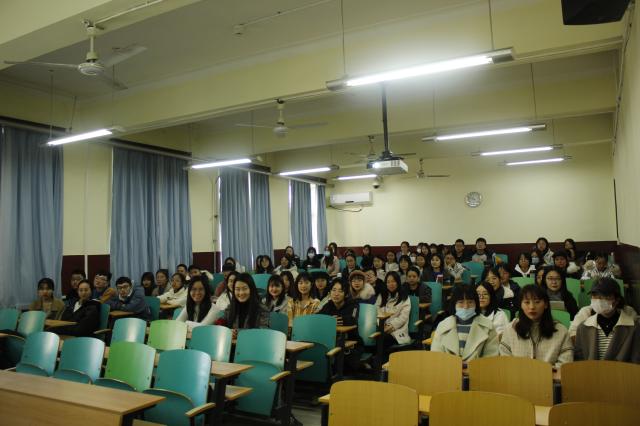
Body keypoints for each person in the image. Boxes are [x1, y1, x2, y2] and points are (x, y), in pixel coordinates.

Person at [500, 284, 573, 367]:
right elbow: (505, 361)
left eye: (537, 302)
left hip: (550, 375)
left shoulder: (561, 331)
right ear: (521, 305)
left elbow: (565, 364)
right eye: (527, 302)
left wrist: (542, 372)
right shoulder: (510, 330)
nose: (532, 307)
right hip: (517, 375)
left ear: (546, 304)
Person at [574, 278, 640, 362]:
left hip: (621, 370)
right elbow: (579, 361)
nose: (599, 300)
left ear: (617, 300)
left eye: (605, 296)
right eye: (595, 296)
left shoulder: (633, 328)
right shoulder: (583, 327)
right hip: (591, 370)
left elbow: (636, 361)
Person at [430, 285, 499, 361]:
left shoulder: (488, 326)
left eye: (470, 302)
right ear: (454, 304)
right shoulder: (443, 326)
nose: (466, 306)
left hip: (477, 368)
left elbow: (491, 358)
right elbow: (436, 357)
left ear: (476, 304)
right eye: (461, 302)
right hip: (448, 368)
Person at [319, 279, 363, 373]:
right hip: (331, 342)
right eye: (334, 290)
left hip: (352, 343)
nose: (336, 294)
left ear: (346, 294)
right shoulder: (328, 305)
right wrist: (330, 320)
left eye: (340, 291)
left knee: (343, 364)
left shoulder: (353, 304)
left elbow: (352, 319)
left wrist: (338, 320)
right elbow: (319, 318)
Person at [221, 273, 270, 338]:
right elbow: (221, 324)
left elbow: (263, 332)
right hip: (231, 343)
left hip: (253, 343)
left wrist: (238, 332)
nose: (241, 293)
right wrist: (227, 331)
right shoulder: (230, 308)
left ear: (251, 289)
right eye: (237, 289)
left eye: (244, 288)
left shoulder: (262, 310)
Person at [376, 272, 412, 358]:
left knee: (382, 339)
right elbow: (376, 312)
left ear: (398, 282)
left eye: (393, 281)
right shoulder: (382, 295)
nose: (390, 284)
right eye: (388, 282)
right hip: (382, 327)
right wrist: (381, 325)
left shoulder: (404, 297)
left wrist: (390, 326)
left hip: (397, 330)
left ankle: (382, 362)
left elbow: (403, 318)